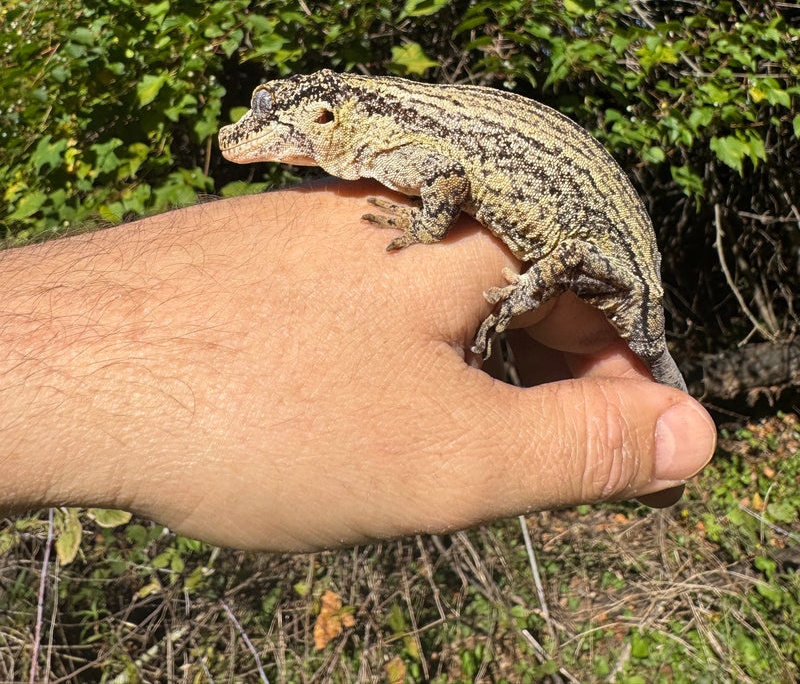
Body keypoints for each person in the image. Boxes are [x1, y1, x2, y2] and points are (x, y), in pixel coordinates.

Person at [0, 181, 716, 551]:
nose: (245, 143)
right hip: (603, 256)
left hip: (608, 261)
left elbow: (452, 179)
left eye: (280, 126)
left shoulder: (405, 149)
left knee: (553, 293)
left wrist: (431, 234)